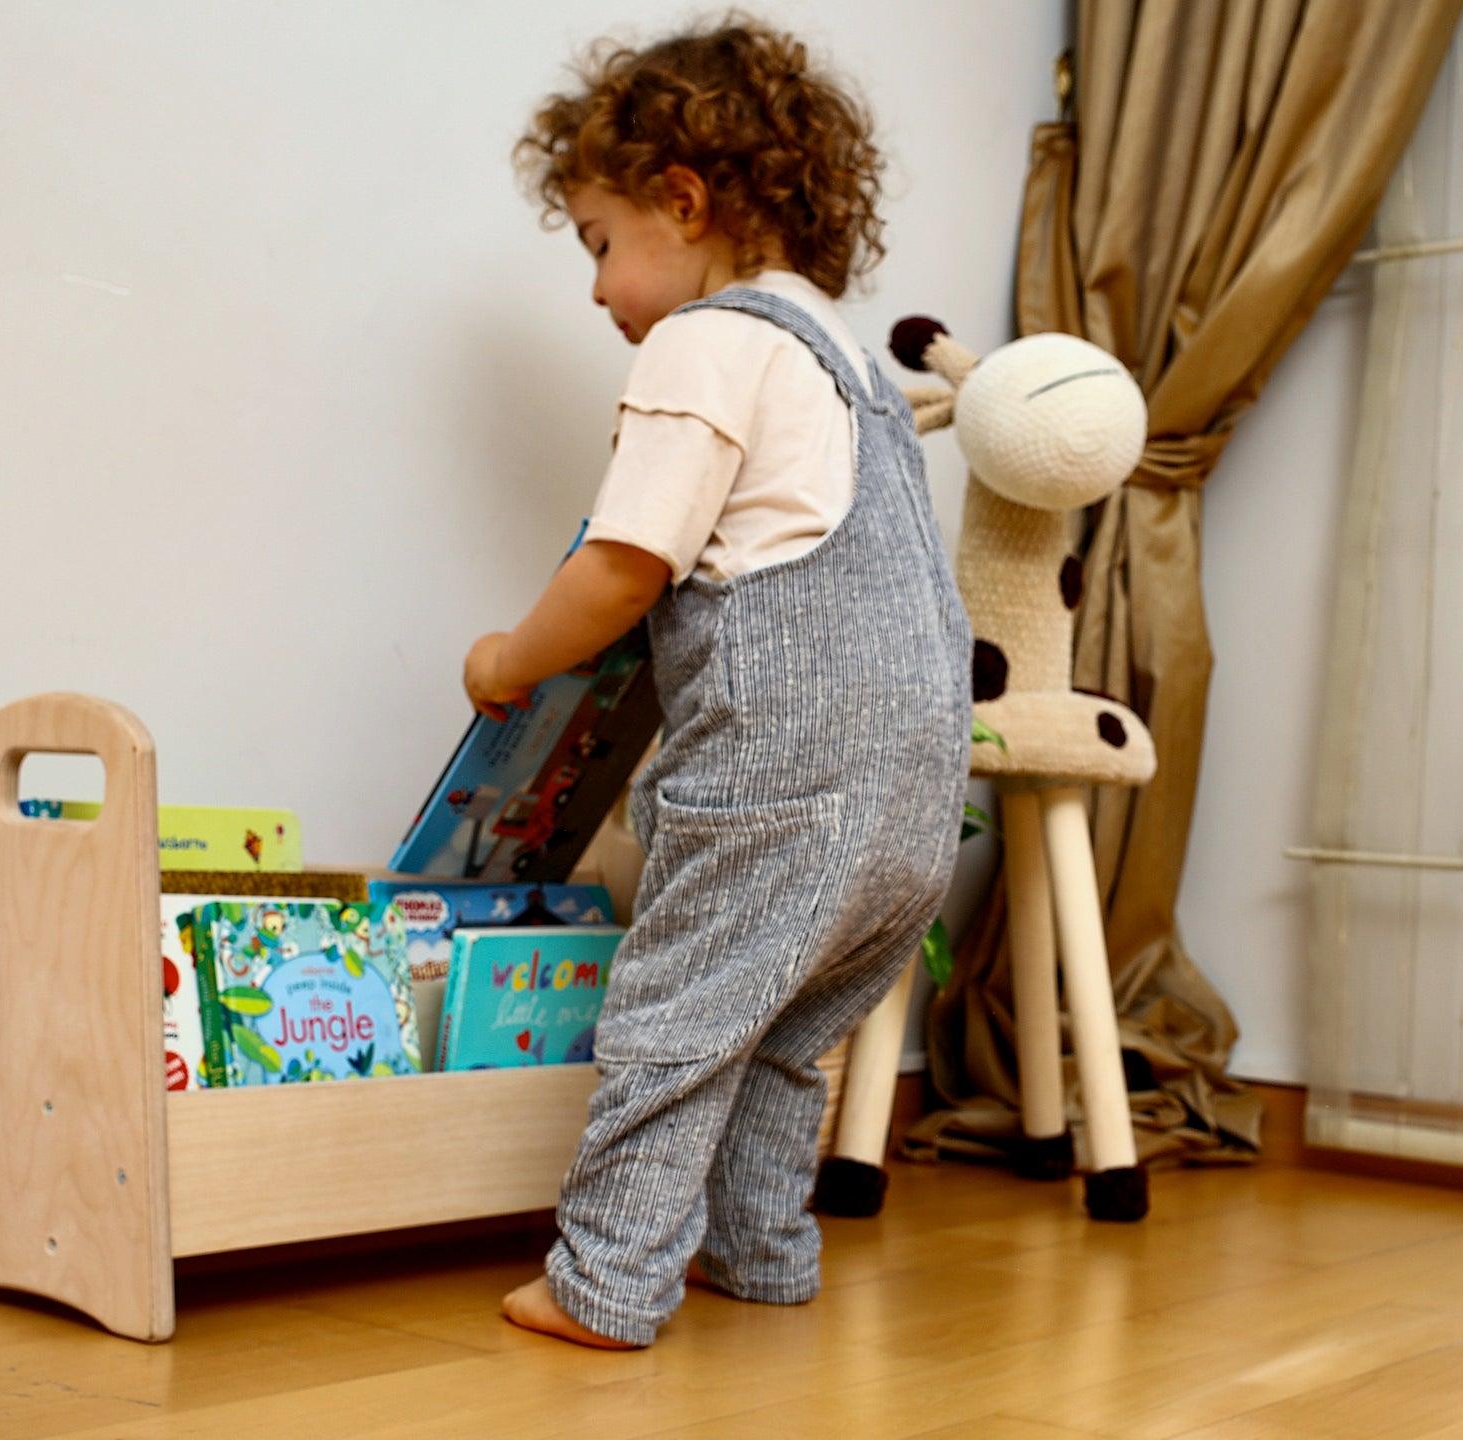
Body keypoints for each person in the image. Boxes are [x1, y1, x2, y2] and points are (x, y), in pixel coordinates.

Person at [464, 13, 971, 1349]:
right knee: (784, 1044)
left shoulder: (704, 342)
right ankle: (762, 1255)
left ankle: (607, 1284)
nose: (594, 291)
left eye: (598, 243)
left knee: (679, 1020)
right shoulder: (852, 362)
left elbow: (625, 563)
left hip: (784, 785)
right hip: (918, 798)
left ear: (682, 203)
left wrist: (510, 659)